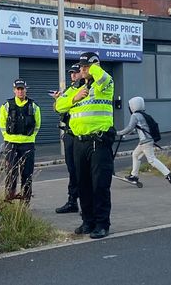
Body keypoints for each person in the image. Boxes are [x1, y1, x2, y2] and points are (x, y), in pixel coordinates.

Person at [55, 51, 115, 239]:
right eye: (81, 67)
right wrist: (75, 97)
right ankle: (88, 221)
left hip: (98, 141)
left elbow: (102, 77)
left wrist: (93, 67)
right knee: (83, 185)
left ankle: (102, 224)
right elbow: (59, 106)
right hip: (79, 143)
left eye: (85, 67)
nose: (82, 70)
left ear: (96, 66)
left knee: (100, 185)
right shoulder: (76, 89)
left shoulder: (104, 84)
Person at [116, 96, 171, 188]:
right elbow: (138, 130)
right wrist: (127, 133)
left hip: (146, 142)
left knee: (151, 160)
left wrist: (117, 133)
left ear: (133, 106)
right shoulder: (144, 115)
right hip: (146, 141)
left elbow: (129, 128)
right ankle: (134, 176)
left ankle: (169, 174)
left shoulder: (135, 115)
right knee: (135, 155)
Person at [0, 78, 41, 202]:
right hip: (11, 144)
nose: (20, 92)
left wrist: (30, 138)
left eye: (22, 89)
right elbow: (2, 123)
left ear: (25, 90)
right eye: (18, 89)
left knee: (27, 174)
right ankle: (9, 200)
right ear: (14, 90)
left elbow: (37, 124)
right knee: (11, 173)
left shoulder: (33, 106)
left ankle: (25, 202)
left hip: (28, 144)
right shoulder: (6, 105)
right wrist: (7, 138)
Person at [54, 63, 83, 214]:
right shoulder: (70, 90)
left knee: (81, 170)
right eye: (71, 73)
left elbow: (64, 104)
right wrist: (63, 100)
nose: (73, 75)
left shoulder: (84, 88)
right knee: (72, 169)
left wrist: (66, 101)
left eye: (76, 72)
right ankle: (72, 201)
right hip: (69, 134)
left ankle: (84, 202)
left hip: (80, 135)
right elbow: (58, 107)